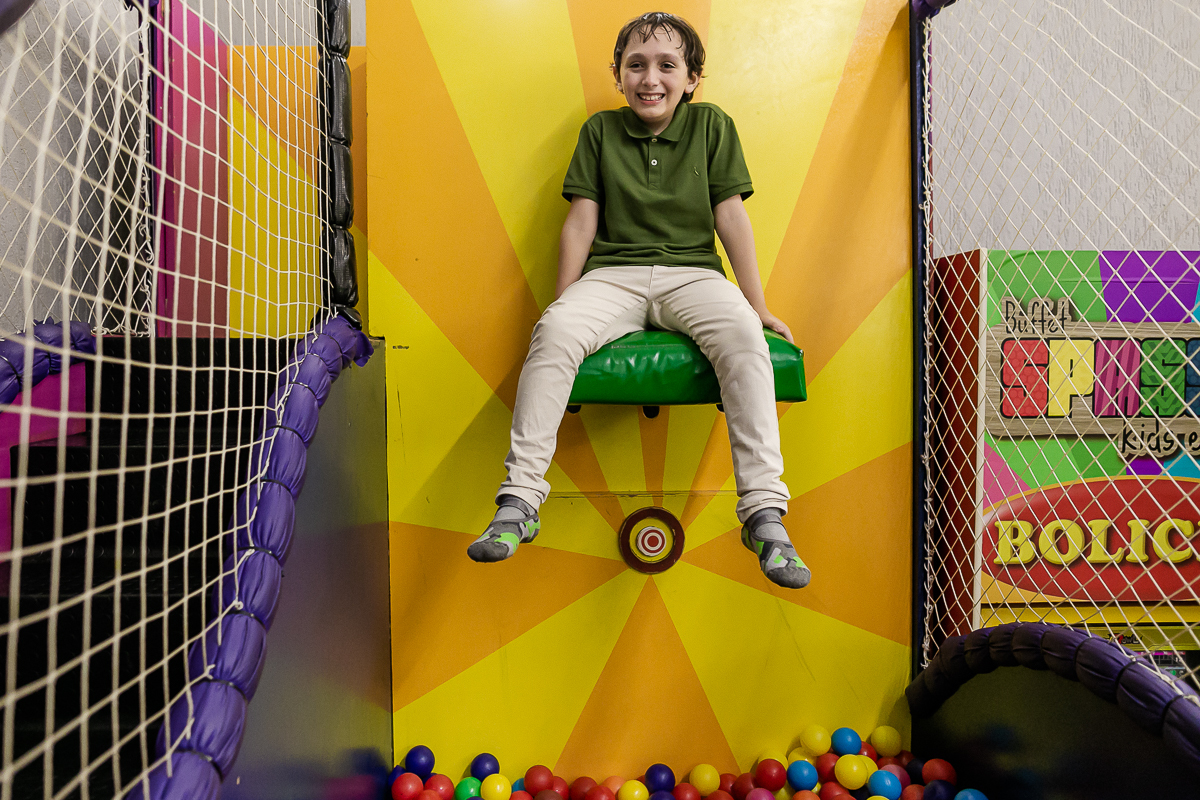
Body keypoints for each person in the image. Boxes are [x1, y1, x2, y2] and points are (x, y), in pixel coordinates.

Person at [467, 12, 808, 589]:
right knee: (553, 334)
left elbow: (731, 217)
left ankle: (763, 513)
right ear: (619, 75)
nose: (651, 77)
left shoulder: (712, 127)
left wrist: (758, 304)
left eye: (667, 65)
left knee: (746, 338)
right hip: (613, 276)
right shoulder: (600, 131)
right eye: (637, 65)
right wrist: (562, 306)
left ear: (692, 78)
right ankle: (519, 502)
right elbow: (580, 224)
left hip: (693, 274)